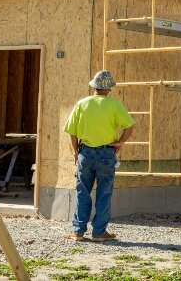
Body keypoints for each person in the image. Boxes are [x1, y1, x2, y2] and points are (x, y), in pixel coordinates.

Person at [64, 70, 135, 242]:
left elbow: (72, 132)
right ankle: (99, 232)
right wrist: (120, 142)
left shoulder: (82, 104)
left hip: (85, 152)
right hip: (106, 153)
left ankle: (78, 231)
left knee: (82, 191)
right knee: (104, 193)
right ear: (110, 88)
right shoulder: (114, 105)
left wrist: (75, 152)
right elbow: (130, 126)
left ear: (94, 86)